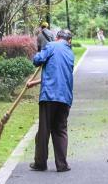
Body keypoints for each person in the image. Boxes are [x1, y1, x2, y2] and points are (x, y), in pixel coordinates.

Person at [28, 28, 75, 172]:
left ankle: (40, 163)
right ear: (69, 41)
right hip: (64, 97)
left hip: (49, 95)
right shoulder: (70, 53)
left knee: (44, 130)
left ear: (57, 38)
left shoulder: (52, 46)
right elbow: (57, 75)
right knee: (60, 130)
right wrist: (34, 83)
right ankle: (62, 165)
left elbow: (36, 60)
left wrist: (41, 56)